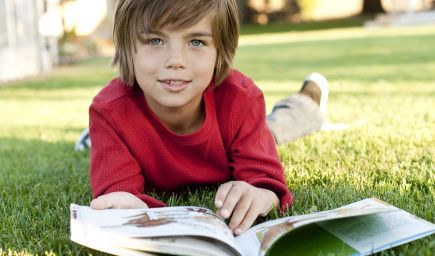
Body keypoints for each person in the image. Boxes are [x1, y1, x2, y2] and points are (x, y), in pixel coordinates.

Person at [83, 0, 329, 235]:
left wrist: (261, 194)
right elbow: (117, 196)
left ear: (219, 51)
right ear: (128, 48)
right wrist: (129, 206)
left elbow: (266, 182)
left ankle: (307, 98)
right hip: (128, 123)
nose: (175, 61)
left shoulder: (240, 99)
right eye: (155, 40)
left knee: (277, 127)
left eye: (197, 42)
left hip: (237, 135)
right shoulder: (109, 112)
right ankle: (92, 137)